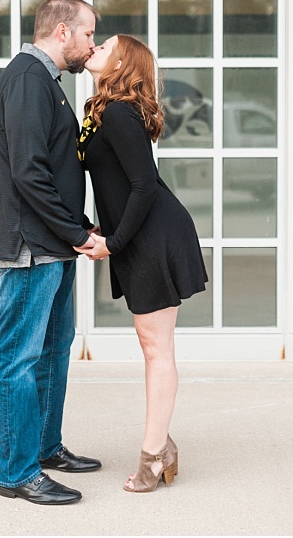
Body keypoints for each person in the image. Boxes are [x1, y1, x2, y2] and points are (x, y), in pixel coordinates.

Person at [0, 0, 103, 506]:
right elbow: (28, 172)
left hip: (54, 246)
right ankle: (17, 473)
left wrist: (79, 227)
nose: (91, 44)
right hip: (32, 248)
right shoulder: (29, 80)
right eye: (88, 34)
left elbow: (53, 171)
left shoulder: (44, 83)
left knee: (53, 352)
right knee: (20, 359)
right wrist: (76, 234)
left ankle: (45, 448)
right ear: (62, 31)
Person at [77, 34, 208, 493]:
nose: (93, 47)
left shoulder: (117, 112)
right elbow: (115, 182)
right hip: (139, 234)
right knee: (152, 342)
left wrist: (112, 242)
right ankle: (162, 446)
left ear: (122, 62)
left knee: (157, 347)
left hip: (154, 236)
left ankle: (154, 456)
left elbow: (143, 186)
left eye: (104, 44)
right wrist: (100, 228)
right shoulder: (103, 111)